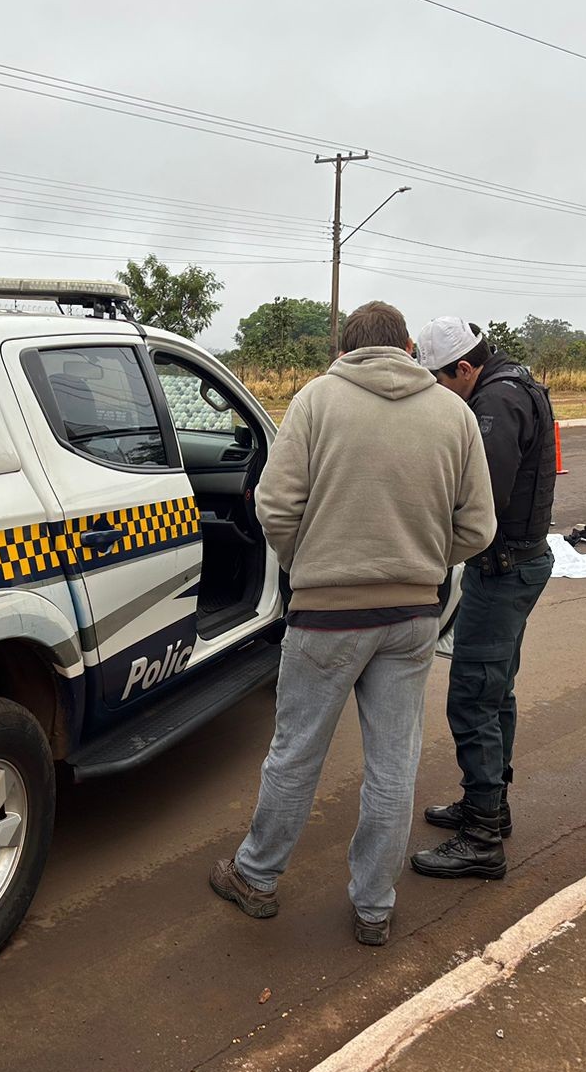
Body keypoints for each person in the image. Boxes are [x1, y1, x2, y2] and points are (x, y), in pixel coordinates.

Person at [209, 301, 496, 946]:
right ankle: (374, 908)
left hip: (326, 616)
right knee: (393, 766)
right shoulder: (455, 415)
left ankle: (255, 877)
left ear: (344, 350)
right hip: (413, 618)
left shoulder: (316, 401)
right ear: (408, 350)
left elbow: (274, 505)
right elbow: (478, 528)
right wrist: (423, 563)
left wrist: (305, 561)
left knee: (296, 752)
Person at [409, 318, 557, 882]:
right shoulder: (514, 384)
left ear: (464, 369)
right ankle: (489, 807)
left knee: (473, 697)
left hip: (503, 570)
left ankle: (481, 838)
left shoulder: (495, 405)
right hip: (514, 566)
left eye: (440, 379)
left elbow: (479, 502)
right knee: (495, 693)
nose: (438, 391)